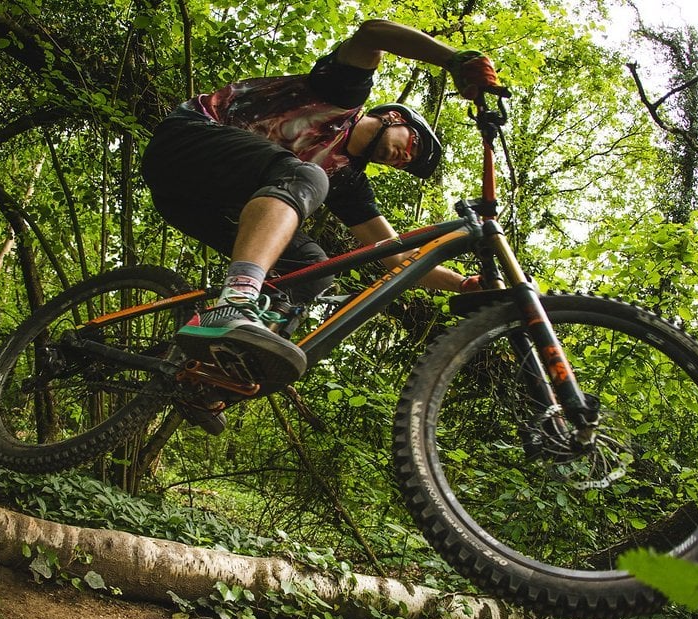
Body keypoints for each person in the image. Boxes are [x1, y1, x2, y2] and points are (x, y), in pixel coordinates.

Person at [140, 19, 509, 388]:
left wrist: (463, 284)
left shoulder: (347, 180)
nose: (402, 159)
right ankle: (236, 299)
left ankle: (211, 375)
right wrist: (455, 60)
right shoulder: (341, 94)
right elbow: (372, 33)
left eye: (406, 165)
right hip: (187, 141)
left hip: (196, 203)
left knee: (315, 267)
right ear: (395, 117)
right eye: (412, 147)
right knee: (307, 175)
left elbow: (395, 256)